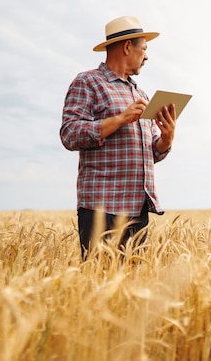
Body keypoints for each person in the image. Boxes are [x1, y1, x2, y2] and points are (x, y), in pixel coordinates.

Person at [60, 16, 176, 260]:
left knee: (130, 289)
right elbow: (69, 134)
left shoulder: (141, 93)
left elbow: (151, 152)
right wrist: (119, 119)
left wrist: (166, 139)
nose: (146, 56)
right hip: (102, 208)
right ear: (127, 47)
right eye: (143, 49)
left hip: (137, 208)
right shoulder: (88, 82)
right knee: (97, 282)